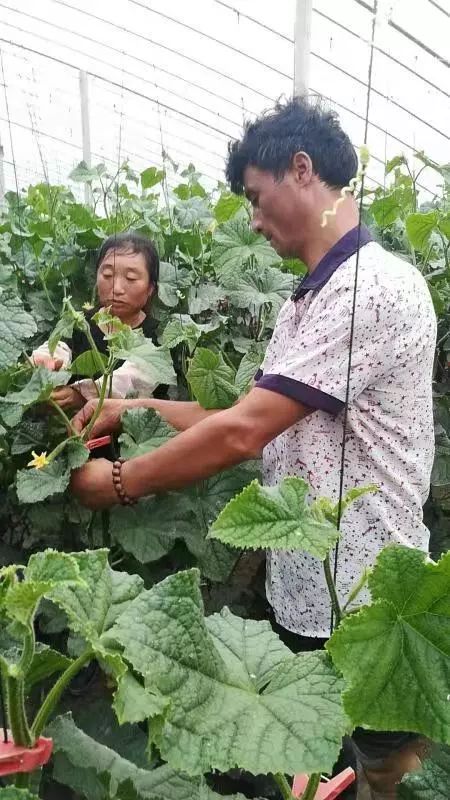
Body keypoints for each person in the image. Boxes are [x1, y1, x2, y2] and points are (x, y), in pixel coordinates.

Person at [70, 98, 436, 799]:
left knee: (383, 771)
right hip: (310, 583)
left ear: (301, 169)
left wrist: (117, 482)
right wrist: (132, 405)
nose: (254, 220)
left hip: (362, 594)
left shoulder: (370, 288)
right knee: (320, 761)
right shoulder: (314, 295)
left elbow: (241, 433)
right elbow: (246, 414)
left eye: (256, 198)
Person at [32, 231, 167, 409]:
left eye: (131, 278)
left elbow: (132, 380)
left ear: (151, 287)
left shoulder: (159, 335)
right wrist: (46, 361)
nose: (116, 289)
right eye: (108, 275)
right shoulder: (80, 322)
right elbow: (58, 347)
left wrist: (81, 395)